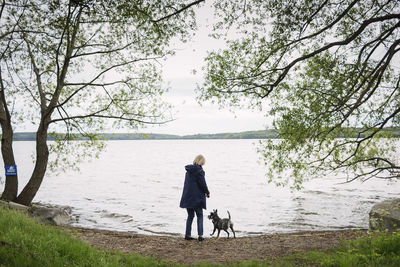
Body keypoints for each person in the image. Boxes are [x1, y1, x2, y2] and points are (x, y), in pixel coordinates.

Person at [179, 154, 210, 241]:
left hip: (188, 197)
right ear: (202, 161)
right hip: (197, 198)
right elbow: (202, 183)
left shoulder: (188, 171)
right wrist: (207, 192)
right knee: (200, 215)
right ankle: (200, 235)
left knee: (190, 216)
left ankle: (187, 234)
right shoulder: (199, 171)